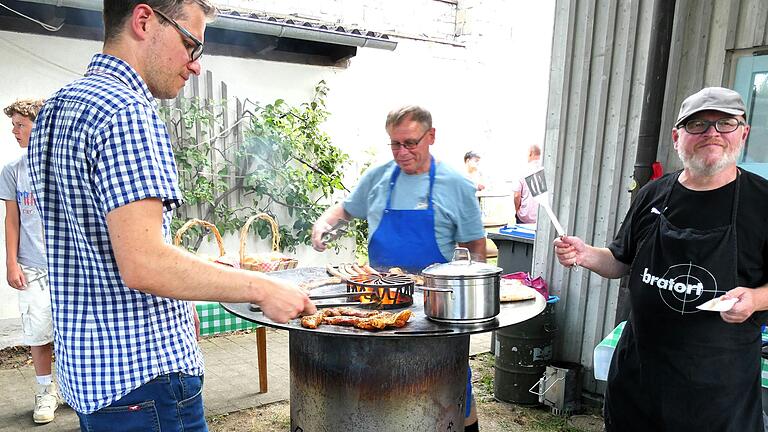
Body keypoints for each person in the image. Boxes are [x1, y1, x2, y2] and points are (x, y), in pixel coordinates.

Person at [26, 1, 315, 430]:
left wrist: (181, 291)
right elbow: (144, 264)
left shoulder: (57, 108)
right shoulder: (127, 113)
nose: (195, 66)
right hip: (145, 381)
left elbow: (104, 240)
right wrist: (262, 287)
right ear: (144, 21)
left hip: (92, 376)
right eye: (190, 45)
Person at [553, 87, 768, 432]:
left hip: (718, 400)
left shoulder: (762, 203)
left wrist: (756, 298)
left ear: (743, 132)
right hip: (638, 388)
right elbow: (621, 260)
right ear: (676, 137)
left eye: (724, 123)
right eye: (697, 124)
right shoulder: (653, 194)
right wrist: (587, 254)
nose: (711, 133)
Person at [311, 105, 486, 431]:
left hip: (436, 308)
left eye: (410, 143)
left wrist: (469, 299)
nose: (402, 153)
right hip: (378, 303)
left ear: (431, 136)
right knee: (382, 386)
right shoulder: (378, 178)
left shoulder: (457, 185)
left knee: (451, 384)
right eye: (395, 144)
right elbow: (345, 210)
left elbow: (478, 250)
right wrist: (323, 223)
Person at [1, 98, 61, 424]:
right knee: (39, 331)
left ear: (39, 126)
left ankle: (75, 388)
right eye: (13, 125)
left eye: (20, 125)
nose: (14, 131)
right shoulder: (12, 171)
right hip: (32, 266)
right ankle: (44, 391)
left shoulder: (61, 166)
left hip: (66, 265)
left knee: (71, 331)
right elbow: (12, 220)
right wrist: (12, 263)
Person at [513, 144, 541, 224]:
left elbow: (516, 195)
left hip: (525, 217)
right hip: (541, 217)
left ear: (530, 153)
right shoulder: (545, 169)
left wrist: (517, 210)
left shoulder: (522, 170)